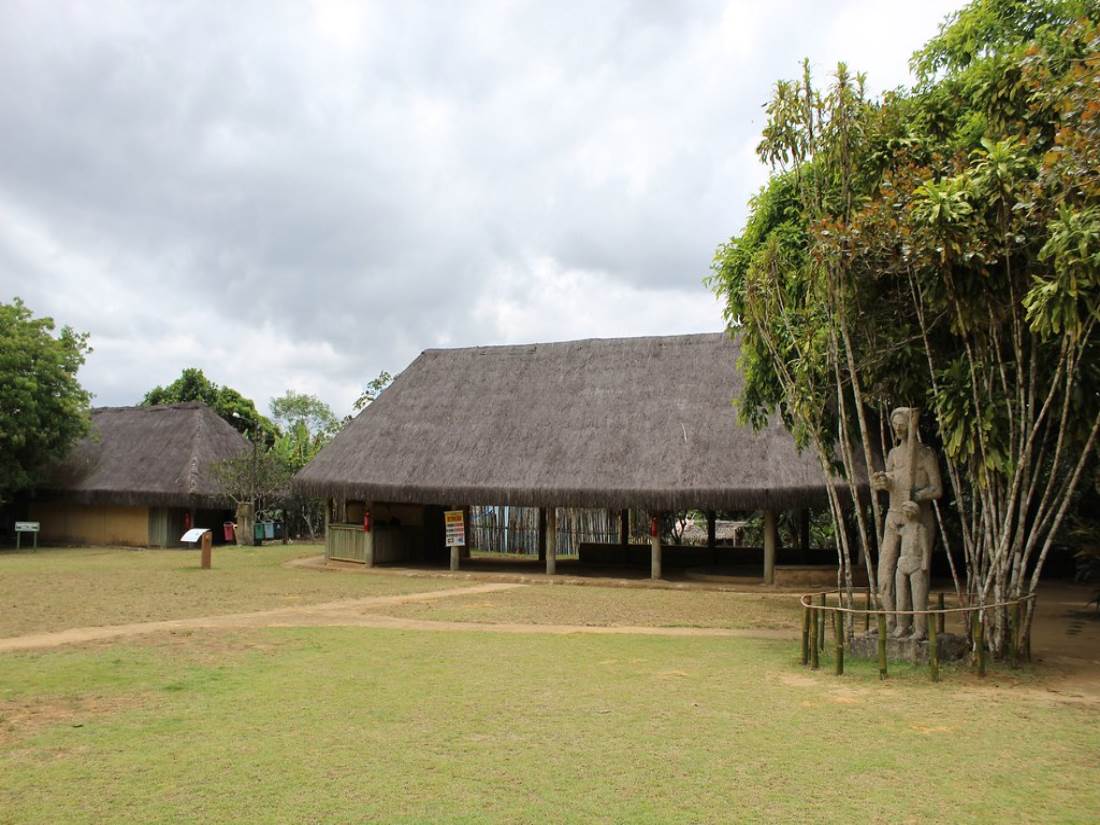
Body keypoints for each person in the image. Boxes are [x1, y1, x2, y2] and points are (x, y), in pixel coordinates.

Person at [871, 407, 942, 633]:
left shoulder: (926, 454)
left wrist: (916, 496)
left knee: (918, 574)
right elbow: (891, 479)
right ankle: (891, 620)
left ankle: (916, 626)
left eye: (902, 424)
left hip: (919, 517)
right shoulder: (893, 454)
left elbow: (937, 489)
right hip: (894, 516)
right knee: (885, 572)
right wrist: (885, 482)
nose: (898, 428)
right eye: (895, 425)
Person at [894, 501, 931, 640]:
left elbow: (925, 548)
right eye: (905, 511)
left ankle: (920, 629)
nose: (906, 513)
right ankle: (901, 625)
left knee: (918, 599)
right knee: (901, 598)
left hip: (916, 564)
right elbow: (894, 527)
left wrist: (925, 562)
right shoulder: (903, 529)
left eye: (909, 510)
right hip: (902, 563)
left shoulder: (920, 529)